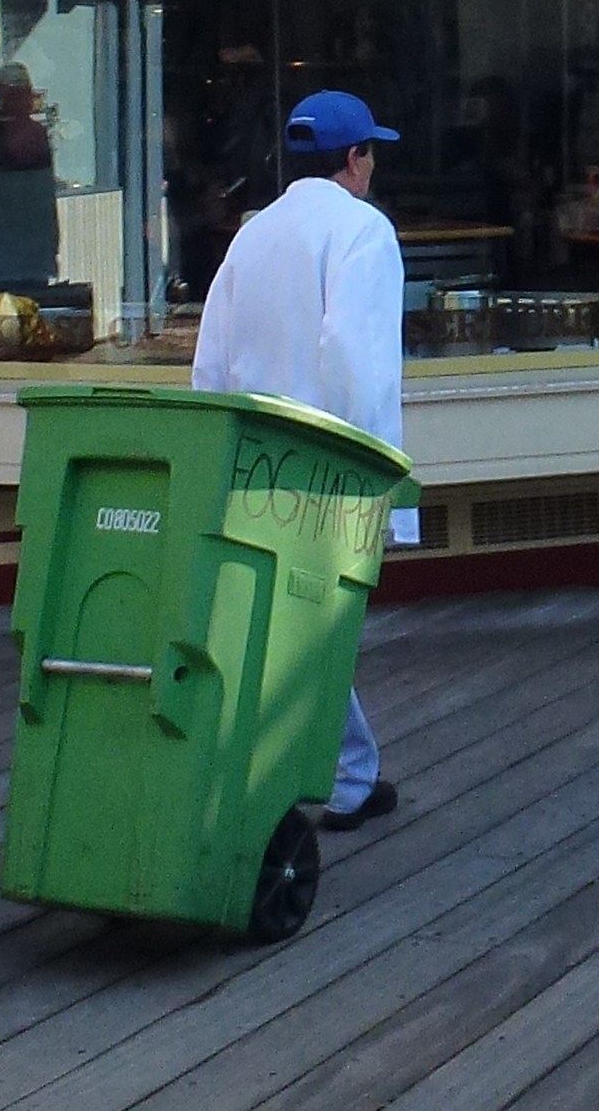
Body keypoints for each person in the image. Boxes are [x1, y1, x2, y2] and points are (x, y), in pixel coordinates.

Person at [191, 88, 417, 826]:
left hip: (251, 460)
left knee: (282, 620)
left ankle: (345, 770)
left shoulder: (251, 235)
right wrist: (378, 480)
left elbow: (211, 361)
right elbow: (359, 361)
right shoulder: (363, 231)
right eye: (370, 151)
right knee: (318, 623)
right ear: (355, 158)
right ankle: (342, 778)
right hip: (328, 462)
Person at [0, 64, 60, 299]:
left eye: (27, 93)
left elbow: (45, 200)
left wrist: (49, 248)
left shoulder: (35, 135)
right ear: (3, 96)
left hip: (30, 257)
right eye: (19, 94)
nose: (27, 101)